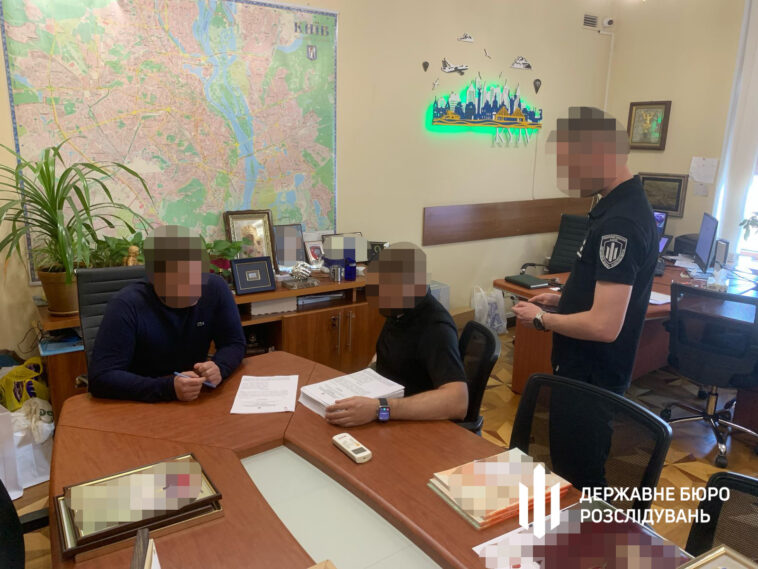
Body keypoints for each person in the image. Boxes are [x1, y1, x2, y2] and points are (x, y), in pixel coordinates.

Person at [512, 106, 658, 396]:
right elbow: (602, 292)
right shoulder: (618, 206)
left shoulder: (621, 224)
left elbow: (604, 326)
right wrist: (564, 301)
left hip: (592, 375)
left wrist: (541, 319)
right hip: (584, 367)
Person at [88, 225, 246, 402]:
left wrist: (219, 367)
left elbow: (234, 343)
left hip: (195, 396)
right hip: (140, 401)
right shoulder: (126, 304)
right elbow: (101, 377)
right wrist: (168, 388)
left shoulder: (215, 288)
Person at [324, 243, 468, 427]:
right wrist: (361, 379)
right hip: (386, 403)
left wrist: (379, 409)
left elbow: (458, 402)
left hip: (414, 422)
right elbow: (388, 353)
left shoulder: (436, 328)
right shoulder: (400, 310)